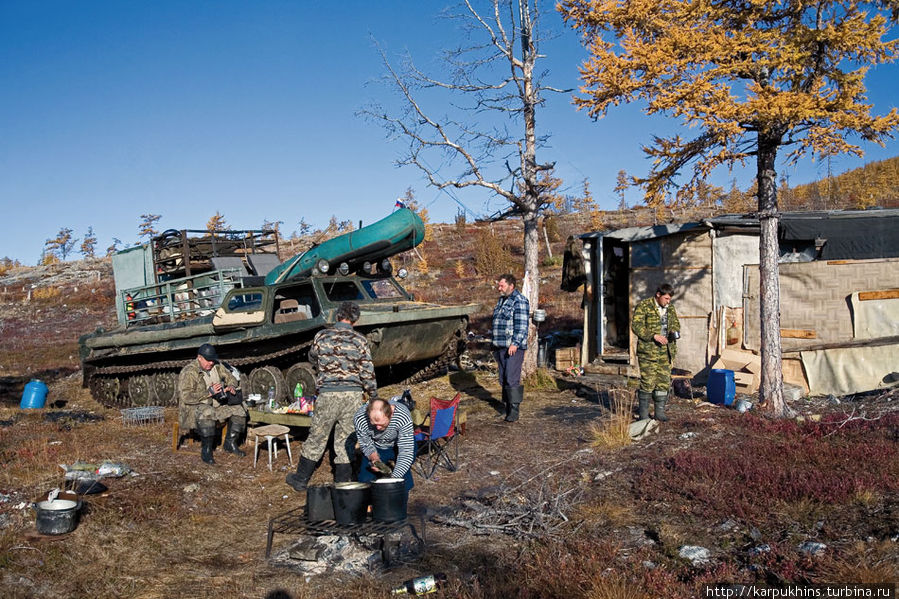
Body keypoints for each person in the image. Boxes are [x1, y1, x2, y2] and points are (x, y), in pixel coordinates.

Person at [286, 301, 377, 492]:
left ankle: (301, 479)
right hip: (352, 395)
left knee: (317, 436)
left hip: (328, 394)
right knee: (345, 439)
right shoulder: (360, 340)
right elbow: (367, 372)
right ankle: (343, 484)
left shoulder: (322, 335)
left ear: (337, 316)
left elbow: (312, 357)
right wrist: (373, 394)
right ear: (356, 319)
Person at [178, 343, 248, 465]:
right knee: (207, 412)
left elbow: (231, 378)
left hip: (216, 405)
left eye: (212, 360)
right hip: (193, 409)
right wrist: (209, 392)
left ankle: (230, 444)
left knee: (240, 410)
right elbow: (186, 397)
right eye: (208, 360)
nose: (211, 363)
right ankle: (206, 450)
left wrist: (230, 386)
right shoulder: (189, 372)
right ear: (199, 357)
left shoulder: (217, 366)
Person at [631, 284, 680, 421]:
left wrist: (673, 331)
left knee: (663, 382)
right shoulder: (644, 306)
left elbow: (676, 323)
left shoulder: (670, 308)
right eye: (666, 298)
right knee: (647, 382)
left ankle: (659, 413)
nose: (668, 301)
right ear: (658, 295)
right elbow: (636, 326)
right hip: (649, 352)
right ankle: (644, 415)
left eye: (670, 299)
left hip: (666, 351)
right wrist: (653, 336)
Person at [353, 397, 416, 491]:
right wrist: (375, 460)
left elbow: (406, 453)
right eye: (374, 424)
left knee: (403, 483)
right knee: (365, 481)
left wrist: (393, 480)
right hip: (376, 445)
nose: (377, 428)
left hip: (398, 444)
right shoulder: (360, 418)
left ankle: (400, 500)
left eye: (381, 424)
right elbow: (366, 444)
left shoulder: (402, 415)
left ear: (391, 414)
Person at [491, 273, 530, 422]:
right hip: (500, 346)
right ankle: (506, 408)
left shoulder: (519, 301)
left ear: (511, 286)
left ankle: (514, 411)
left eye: (502, 285)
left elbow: (522, 326)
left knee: (512, 378)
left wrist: (515, 343)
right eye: (499, 285)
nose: (499, 288)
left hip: (513, 347)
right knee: (503, 378)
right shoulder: (501, 301)